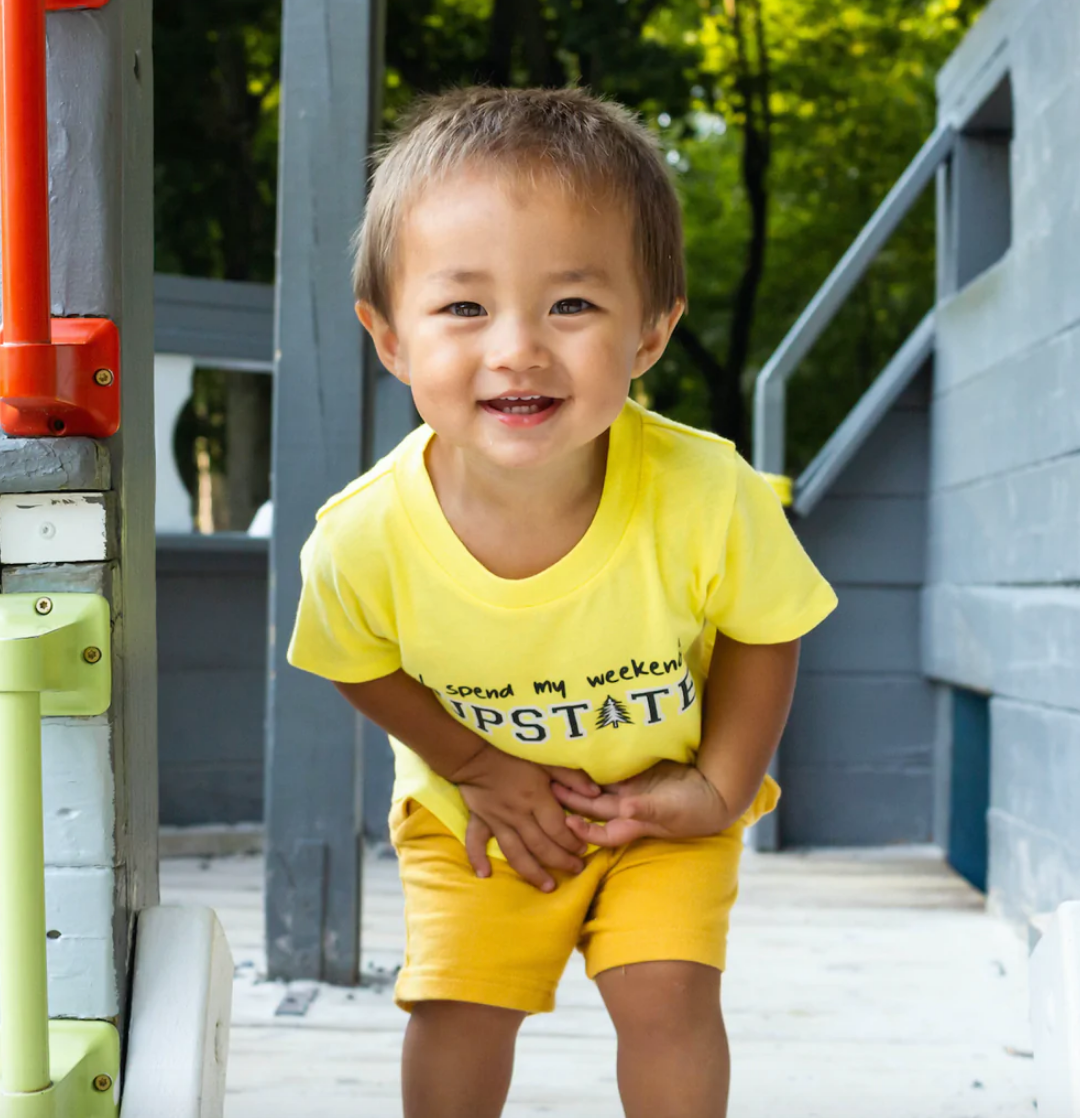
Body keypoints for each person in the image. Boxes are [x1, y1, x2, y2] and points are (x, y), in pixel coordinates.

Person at [287, 85, 837, 1118]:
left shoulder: (708, 492)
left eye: (572, 305)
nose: (518, 348)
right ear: (389, 335)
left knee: (668, 993)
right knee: (458, 1003)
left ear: (652, 331)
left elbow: (770, 630)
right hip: (481, 812)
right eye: (463, 306)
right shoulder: (364, 535)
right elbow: (354, 657)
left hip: (658, 801)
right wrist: (478, 765)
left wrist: (720, 787)